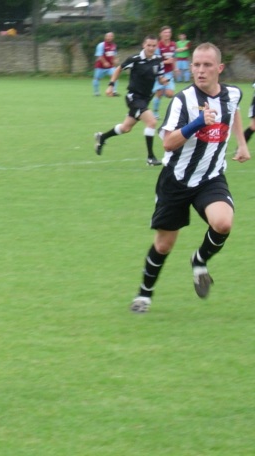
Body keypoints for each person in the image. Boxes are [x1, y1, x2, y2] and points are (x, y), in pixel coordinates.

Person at [130, 43, 250, 313]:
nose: (200, 70)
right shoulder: (183, 101)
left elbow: (235, 111)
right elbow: (168, 144)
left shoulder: (232, 93)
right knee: (164, 244)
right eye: (196, 65)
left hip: (210, 177)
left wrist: (242, 144)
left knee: (222, 223)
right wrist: (198, 122)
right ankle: (144, 295)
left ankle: (199, 260)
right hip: (176, 180)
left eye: (207, 65)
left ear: (219, 68)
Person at [94, 35, 169, 166]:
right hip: (134, 97)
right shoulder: (135, 59)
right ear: (143, 45)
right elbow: (118, 69)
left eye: (154, 46)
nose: (151, 48)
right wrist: (111, 85)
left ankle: (102, 137)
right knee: (151, 122)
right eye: (149, 45)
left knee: (126, 128)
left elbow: (160, 76)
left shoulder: (158, 60)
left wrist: (163, 80)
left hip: (146, 98)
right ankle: (150, 158)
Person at [152, 26, 177, 119]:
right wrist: (166, 62)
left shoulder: (173, 45)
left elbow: (174, 58)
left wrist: (175, 68)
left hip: (169, 73)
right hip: (160, 73)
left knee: (170, 94)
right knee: (159, 94)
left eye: (169, 32)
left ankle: (163, 91)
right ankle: (155, 113)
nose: (167, 34)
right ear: (161, 34)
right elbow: (156, 60)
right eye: (165, 32)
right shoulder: (158, 46)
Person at [92, 32, 119, 97]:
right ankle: (96, 92)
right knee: (97, 79)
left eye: (111, 36)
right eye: (108, 36)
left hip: (110, 67)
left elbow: (114, 55)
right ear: (105, 37)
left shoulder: (113, 46)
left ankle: (114, 91)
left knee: (115, 77)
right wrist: (104, 62)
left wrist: (115, 61)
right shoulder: (101, 45)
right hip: (100, 66)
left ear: (113, 37)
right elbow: (99, 55)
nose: (109, 37)